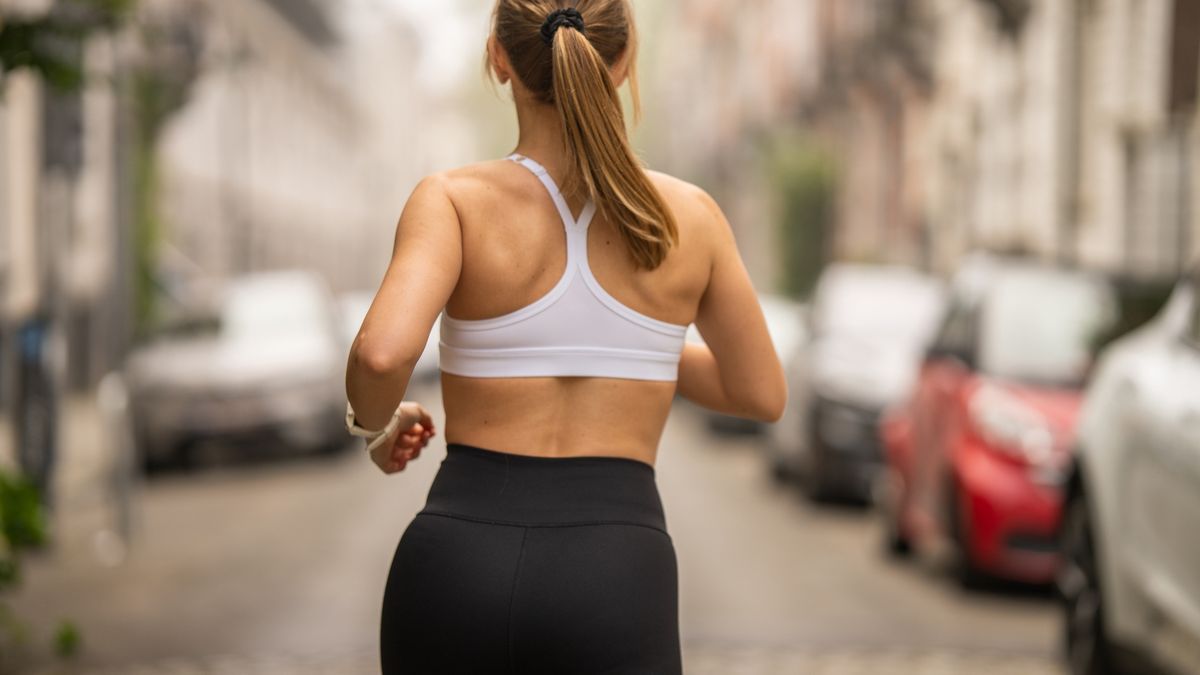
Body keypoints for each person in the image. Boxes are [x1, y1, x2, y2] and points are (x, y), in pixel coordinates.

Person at [344, 1, 786, 672]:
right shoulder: (691, 217)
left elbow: (381, 354)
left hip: (456, 563)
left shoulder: (454, 201)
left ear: (498, 58)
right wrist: (644, 349)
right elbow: (759, 392)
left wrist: (378, 429)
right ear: (625, 59)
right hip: (615, 574)